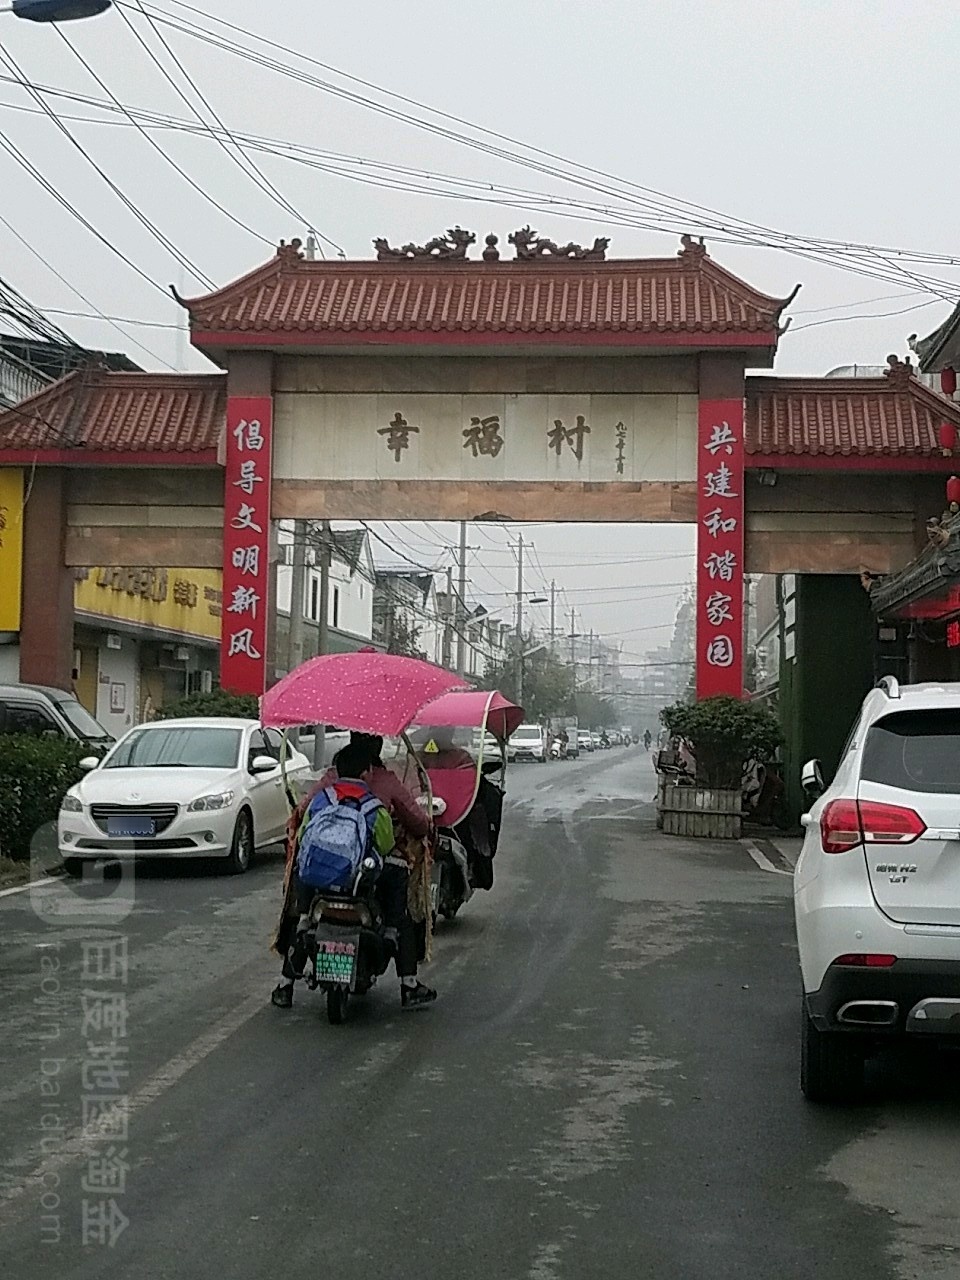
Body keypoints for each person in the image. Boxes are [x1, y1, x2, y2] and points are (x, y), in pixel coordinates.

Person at [271, 735, 437, 1011]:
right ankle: (408, 984)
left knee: (301, 918)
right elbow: (389, 843)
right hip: (363, 879)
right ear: (368, 769)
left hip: (319, 879)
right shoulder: (379, 797)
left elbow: (301, 822)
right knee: (401, 907)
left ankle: (285, 986)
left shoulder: (325, 790)